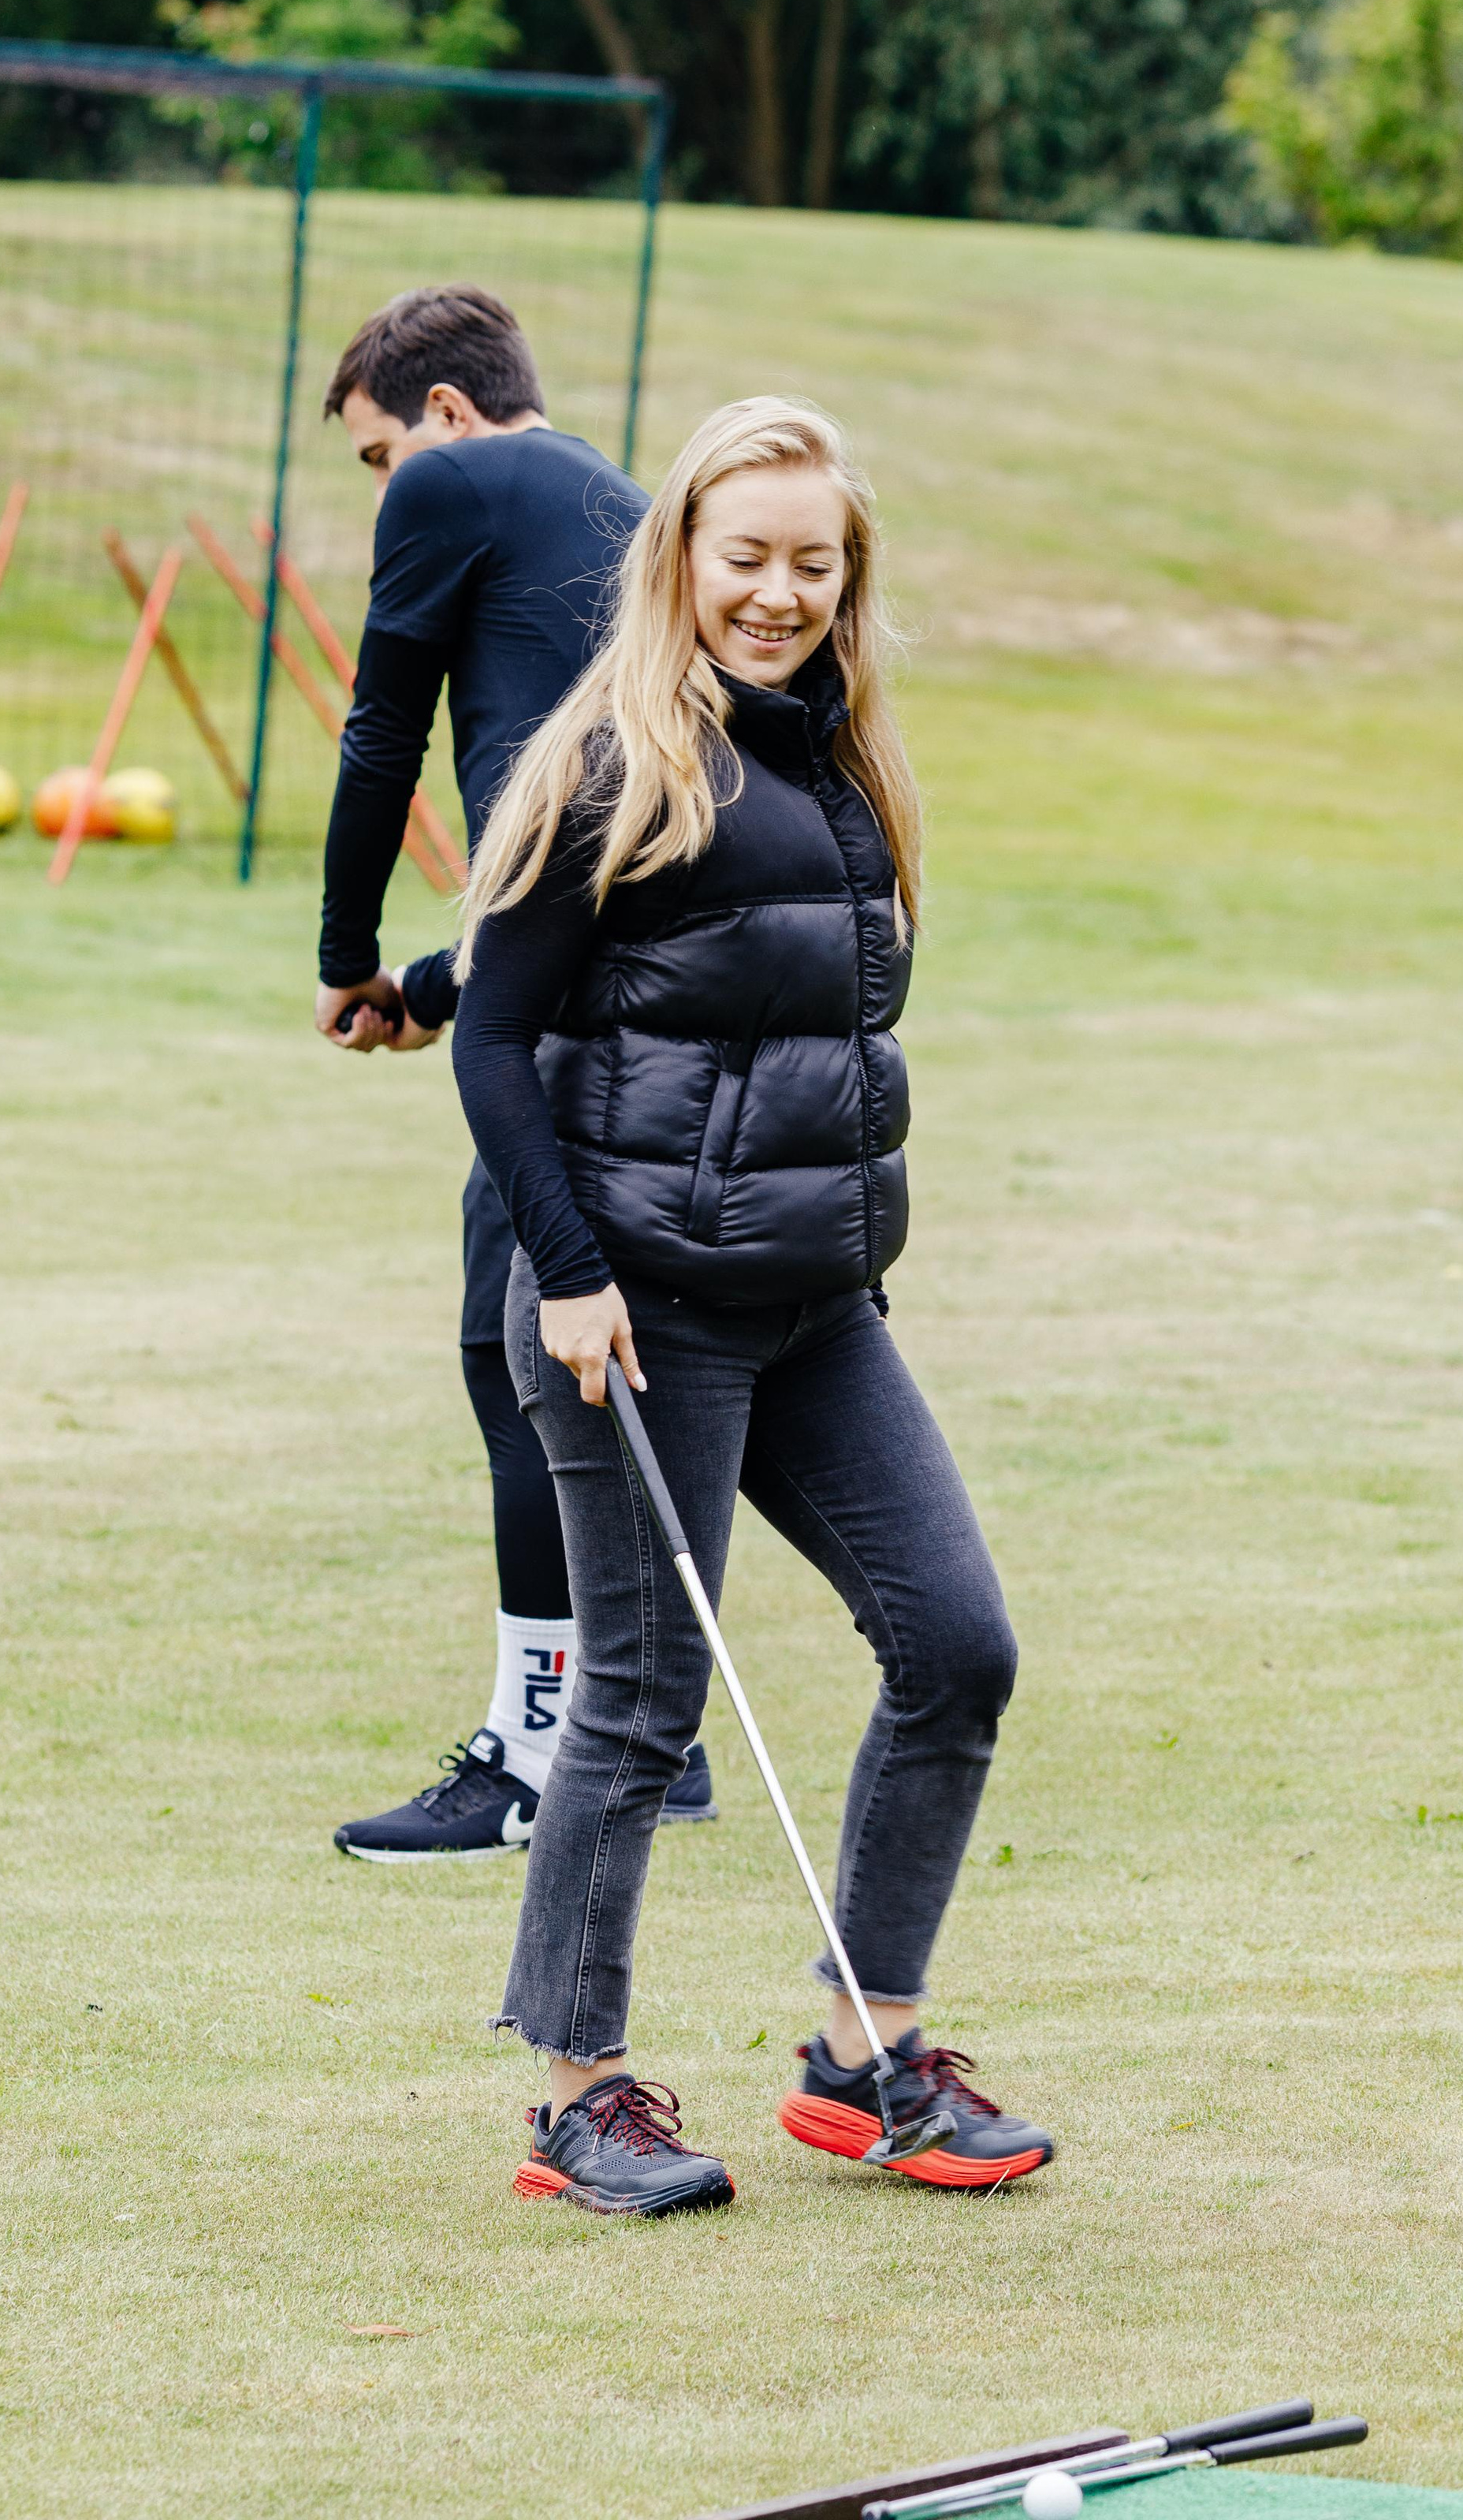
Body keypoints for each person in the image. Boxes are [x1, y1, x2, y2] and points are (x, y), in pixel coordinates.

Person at [449, 394, 1055, 2217]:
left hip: (815, 1309)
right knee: (639, 1705)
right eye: (746, 558)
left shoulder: (846, 766)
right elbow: (491, 1034)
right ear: (681, 562)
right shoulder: (610, 763)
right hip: (630, 1310)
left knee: (957, 1648)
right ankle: (577, 2094)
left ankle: (866, 2058)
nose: (776, 592)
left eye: (812, 562)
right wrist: (564, 1270)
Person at [315, 285, 713, 1860]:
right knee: (616, 1358)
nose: (383, 487)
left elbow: (376, 740)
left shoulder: (450, 482)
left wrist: (345, 953)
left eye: (374, 453)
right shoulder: (617, 502)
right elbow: (588, 833)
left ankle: (538, 1750)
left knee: (518, 1354)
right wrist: (431, 983)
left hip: (559, 1012)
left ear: (449, 415)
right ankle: (650, 1738)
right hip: (655, 987)